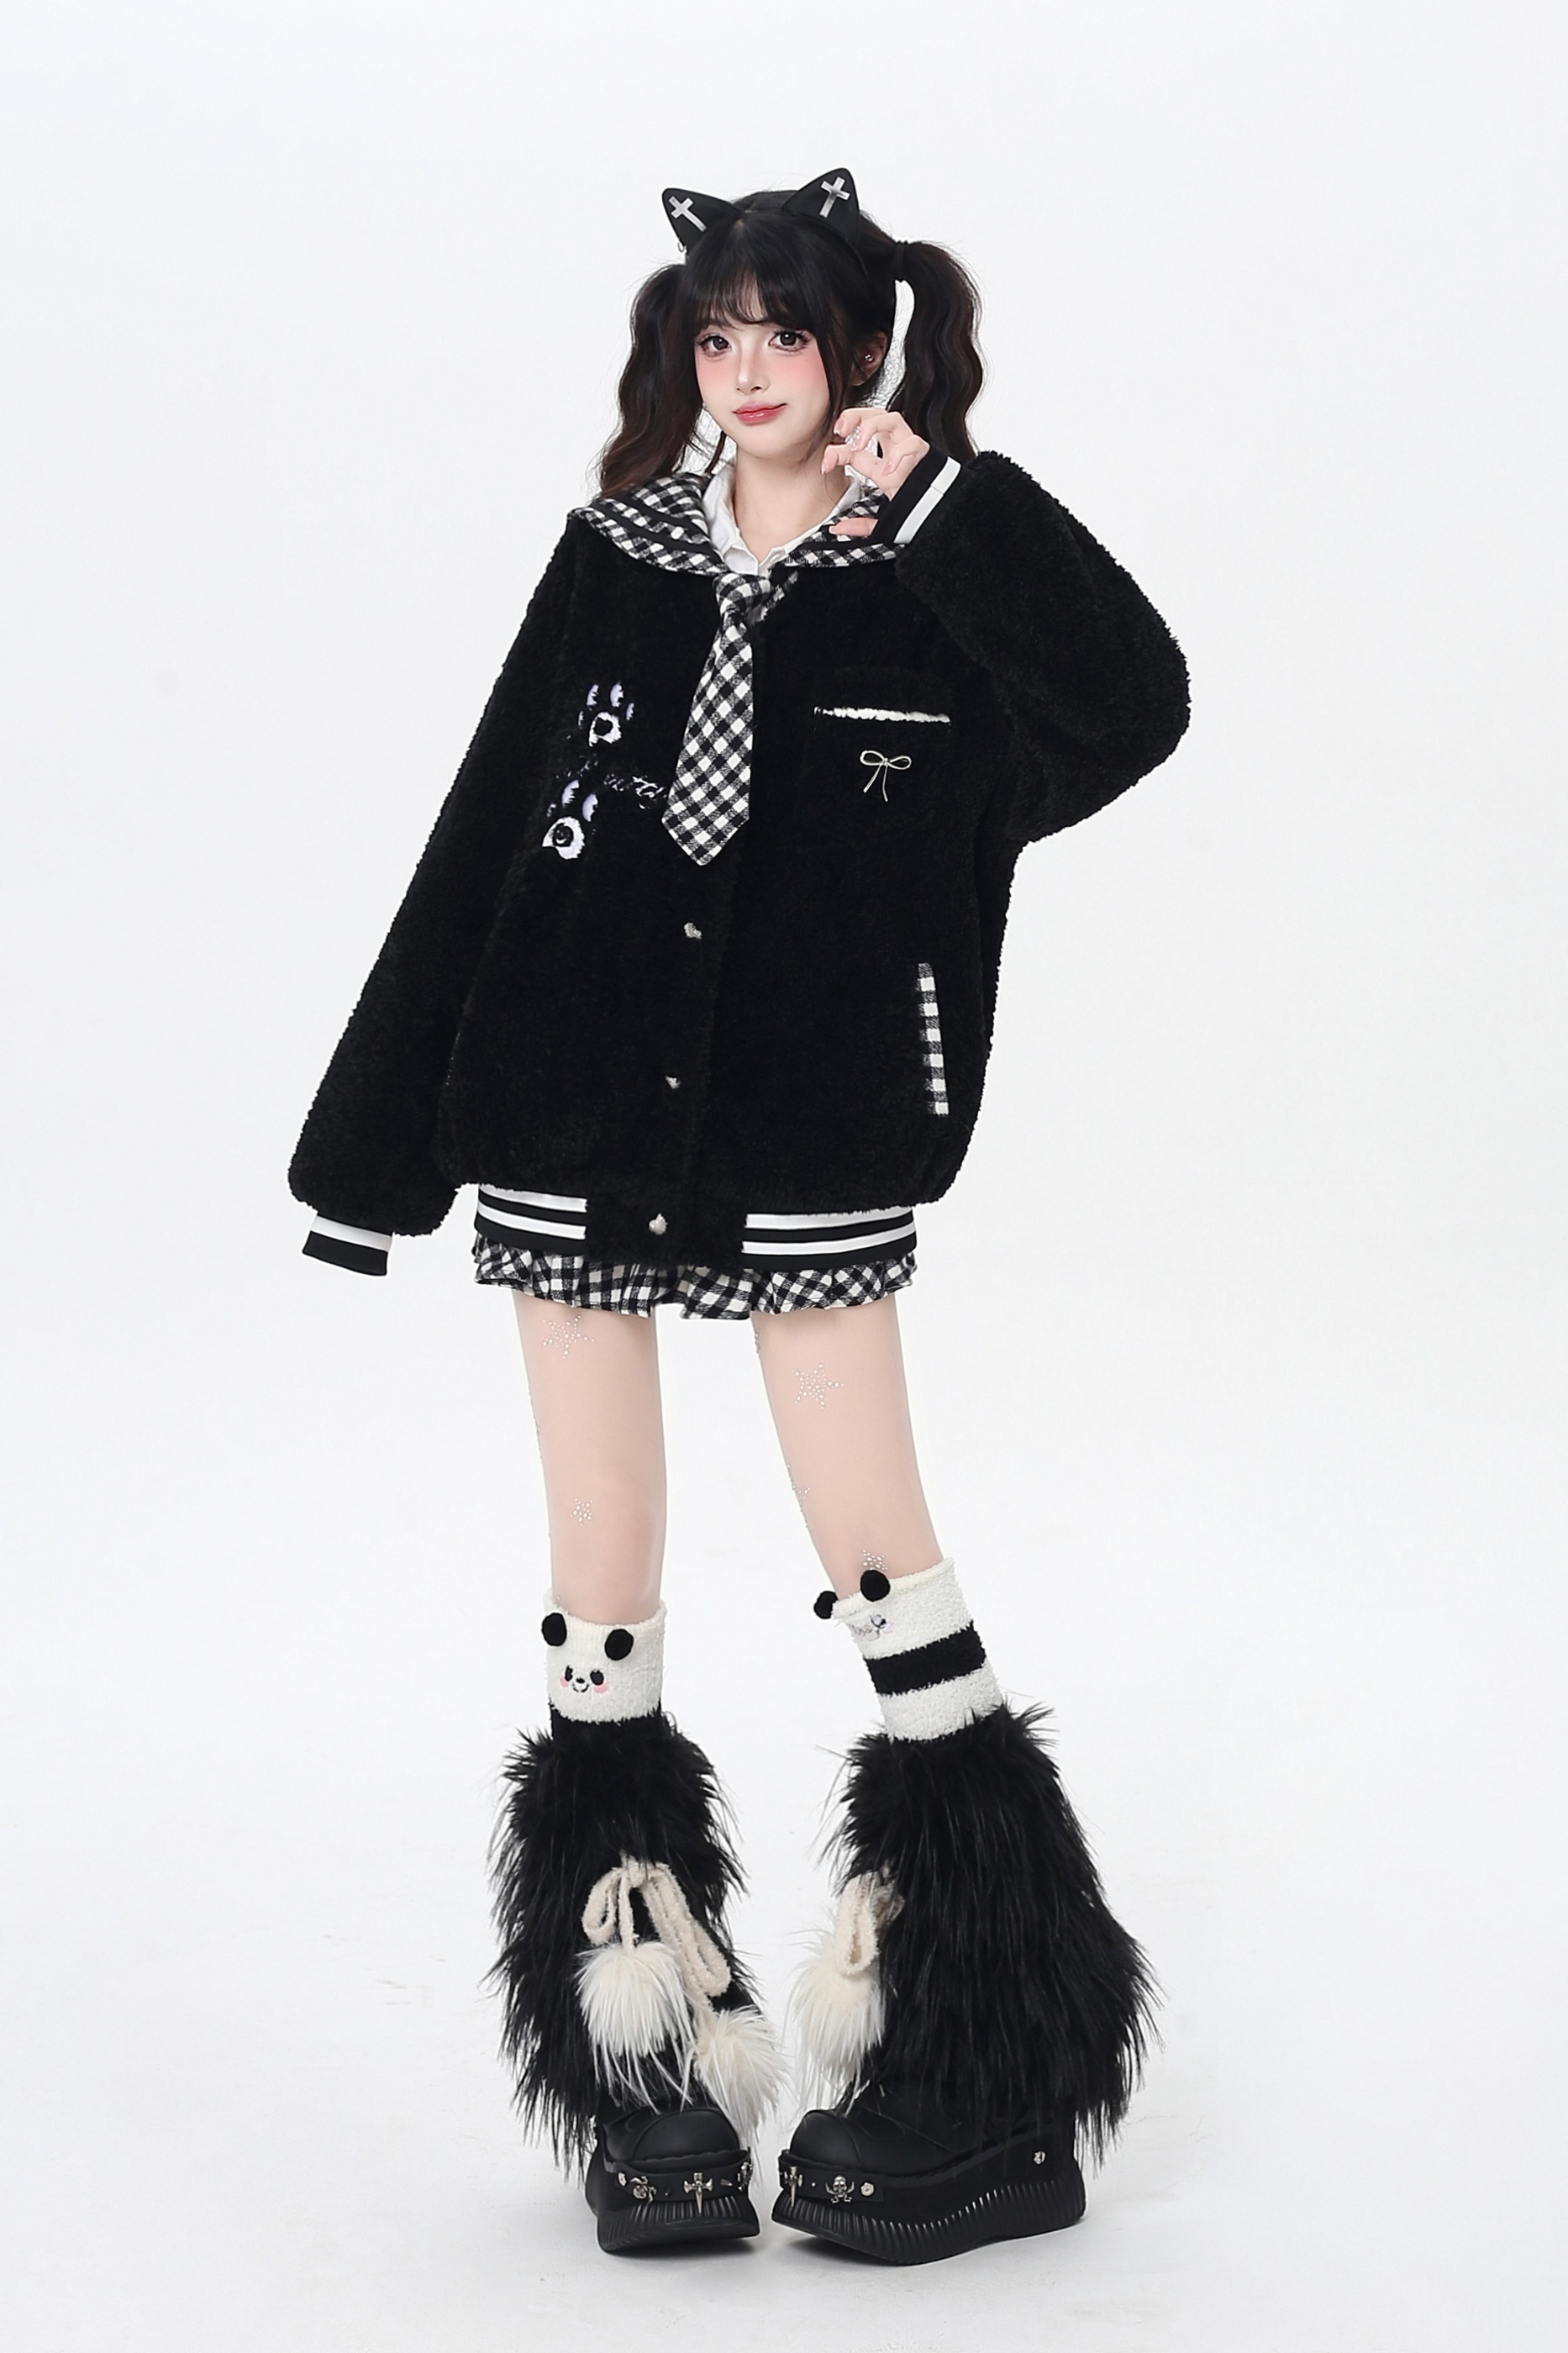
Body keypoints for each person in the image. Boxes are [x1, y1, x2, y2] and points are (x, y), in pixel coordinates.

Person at [288, 166, 1190, 2264]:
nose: (750, 367)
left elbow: (1131, 705)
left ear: (860, 348)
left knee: (883, 1555)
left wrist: (944, 499)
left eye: (786, 331)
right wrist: (370, 1156)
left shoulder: (930, 578)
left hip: (814, 1126)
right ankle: (647, 2055)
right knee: (600, 1568)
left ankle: (996, 2032)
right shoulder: (614, 558)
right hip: (572, 1105)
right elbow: (485, 827)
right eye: (719, 334)